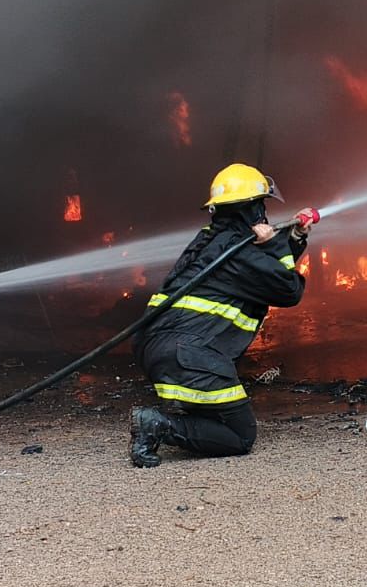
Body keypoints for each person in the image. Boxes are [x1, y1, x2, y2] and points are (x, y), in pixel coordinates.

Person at [129, 163, 317, 467]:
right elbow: (287, 289)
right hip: (190, 357)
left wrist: (293, 238)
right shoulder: (238, 252)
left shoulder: (213, 241)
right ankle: (158, 425)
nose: (264, 213)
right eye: (261, 205)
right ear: (251, 210)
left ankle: (168, 422)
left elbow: (260, 273)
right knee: (239, 435)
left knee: (217, 418)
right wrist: (275, 242)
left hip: (164, 351)